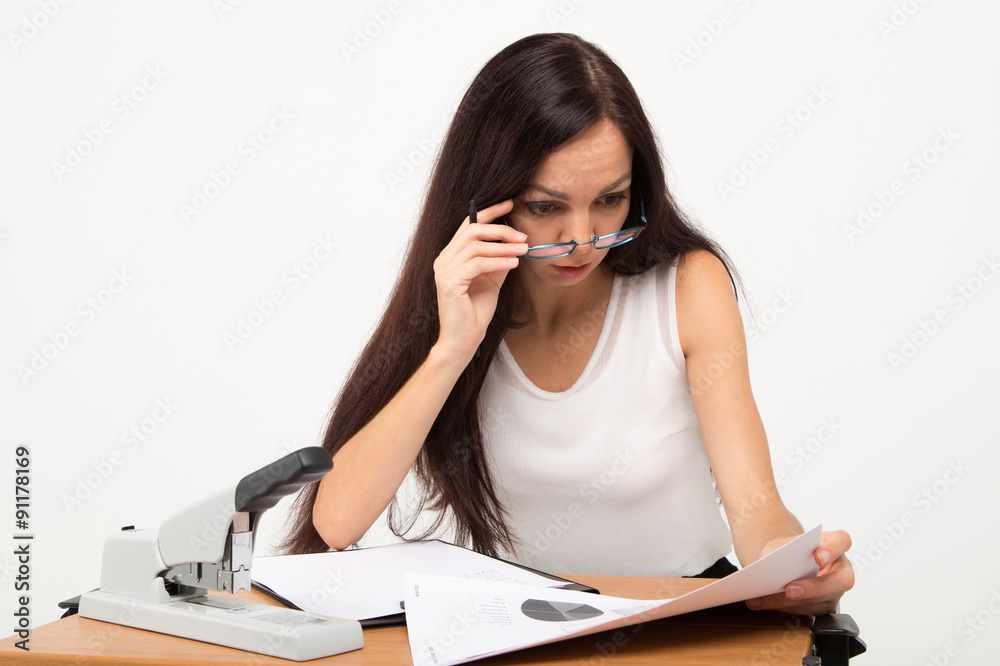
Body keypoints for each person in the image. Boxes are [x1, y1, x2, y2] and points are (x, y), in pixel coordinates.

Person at [280, 32, 853, 616]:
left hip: (681, 618)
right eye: (545, 206)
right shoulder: (460, 302)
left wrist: (791, 561)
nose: (581, 239)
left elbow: (756, 508)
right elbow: (337, 523)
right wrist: (453, 347)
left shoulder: (688, 286)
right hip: (521, 625)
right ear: (486, 201)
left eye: (610, 199)